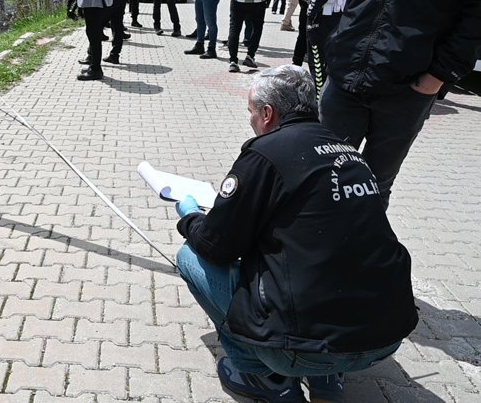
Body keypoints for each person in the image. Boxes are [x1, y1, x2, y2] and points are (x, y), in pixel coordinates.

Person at [175, 65, 417, 403]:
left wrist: (189, 218)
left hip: (301, 351)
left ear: (268, 113)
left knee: (189, 258)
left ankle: (263, 377)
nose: (250, 120)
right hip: (385, 340)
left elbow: (217, 246)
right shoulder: (348, 153)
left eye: (251, 111)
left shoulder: (265, 153)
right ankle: (328, 381)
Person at [259, 0, 481, 209]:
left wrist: (437, 77)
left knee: (374, 186)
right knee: (318, 173)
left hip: (409, 87)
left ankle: (357, 255)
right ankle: (312, 251)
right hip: (346, 76)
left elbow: (476, 13)